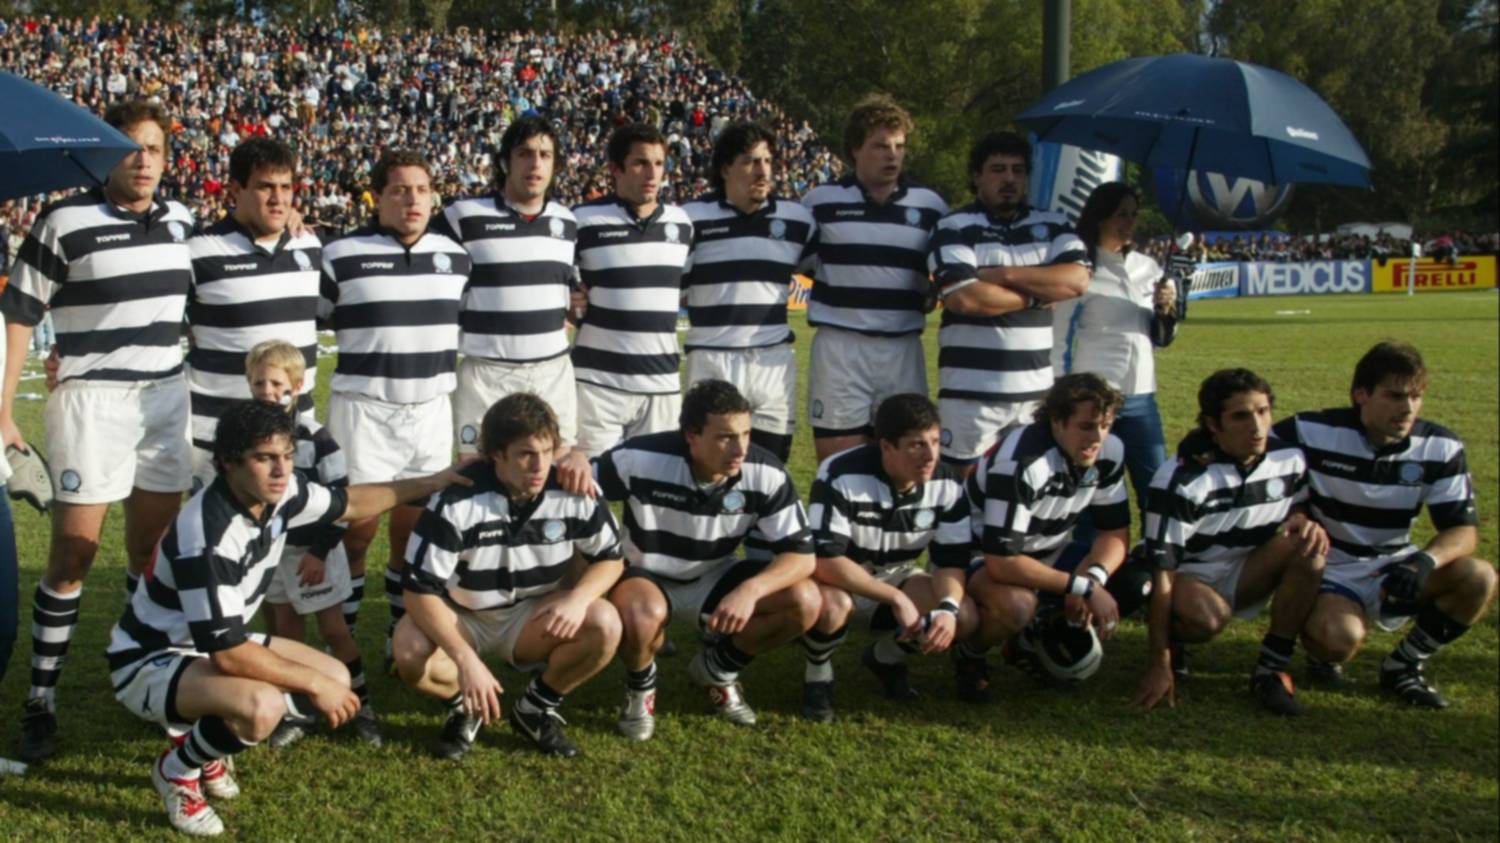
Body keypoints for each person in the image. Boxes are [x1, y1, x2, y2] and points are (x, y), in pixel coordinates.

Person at [104, 400, 471, 836]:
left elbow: (350, 503)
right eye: (264, 458)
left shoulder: (277, 493)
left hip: (208, 645)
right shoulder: (208, 536)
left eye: (287, 455)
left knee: (336, 675)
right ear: (228, 463)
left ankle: (205, 742)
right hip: (150, 660)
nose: (281, 470)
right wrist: (312, 685)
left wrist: (434, 481)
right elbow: (228, 655)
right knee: (264, 706)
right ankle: (177, 770)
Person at [0, 100, 196, 762]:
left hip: (166, 400)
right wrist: (3, 410)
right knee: (72, 556)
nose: (143, 160)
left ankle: (145, 678)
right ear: (104, 154)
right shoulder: (65, 221)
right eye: (129, 147)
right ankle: (41, 699)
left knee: (151, 553)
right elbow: (20, 314)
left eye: (154, 149)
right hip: (92, 403)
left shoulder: (182, 221)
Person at [558, 379, 819, 739]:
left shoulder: (766, 472)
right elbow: (577, 483)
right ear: (691, 436)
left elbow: (801, 556)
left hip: (715, 572)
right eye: (725, 437)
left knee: (805, 601)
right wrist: (575, 457)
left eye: (746, 433)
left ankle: (718, 669)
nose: (740, 448)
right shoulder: (640, 458)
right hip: (645, 574)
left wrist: (751, 590)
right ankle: (641, 690)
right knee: (640, 614)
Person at [394, 393, 624, 760]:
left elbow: (611, 559)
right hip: (463, 615)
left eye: (547, 452)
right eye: (525, 454)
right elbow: (418, 591)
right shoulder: (456, 501)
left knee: (605, 623)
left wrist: (578, 599)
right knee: (408, 651)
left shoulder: (573, 489)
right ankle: (465, 707)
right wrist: (465, 660)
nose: (540, 465)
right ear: (496, 454)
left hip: (531, 614)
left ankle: (534, 710)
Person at [1280, 342, 1494, 708]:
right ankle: (1321, 651)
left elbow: (1463, 530)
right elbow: (1247, 443)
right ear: (1360, 394)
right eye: (1395, 396)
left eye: (1416, 396)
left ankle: (1403, 665)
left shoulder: (1440, 446)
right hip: (1333, 566)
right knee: (1336, 640)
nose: (1407, 408)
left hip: (1397, 564)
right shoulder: (1311, 430)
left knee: (1479, 577)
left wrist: (1424, 561)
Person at [319, 150, 471, 665]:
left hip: (429, 410)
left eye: (422, 190)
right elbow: (310, 316)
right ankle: (342, 642)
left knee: (412, 532)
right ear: (378, 197)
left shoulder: (456, 257)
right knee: (356, 532)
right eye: (400, 190)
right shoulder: (340, 254)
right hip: (364, 411)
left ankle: (396, 633)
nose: (412, 200)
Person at [1133, 369, 1328, 716]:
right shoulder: (1183, 479)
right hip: (1186, 575)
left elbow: (1297, 502)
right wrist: (1157, 662)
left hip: (1243, 568)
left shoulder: (1289, 459)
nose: (1257, 426)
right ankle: (1173, 639)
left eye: (1263, 411)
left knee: (1309, 546)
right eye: (1240, 416)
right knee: (1208, 619)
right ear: (1213, 424)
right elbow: (1163, 571)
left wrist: (1301, 517)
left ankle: (1271, 669)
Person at [234, 341, 380, 747]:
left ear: (296, 386)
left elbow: (341, 498)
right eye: (258, 383)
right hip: (270, 554)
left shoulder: (315, 437)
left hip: (312, 554)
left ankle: (362, 706)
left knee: (334, 630)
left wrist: (319, 551)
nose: (266, 391)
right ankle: (298, 711)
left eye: (275, 383)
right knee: (285, 632)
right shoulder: (243, 434)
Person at [962, 373, 1149, 688]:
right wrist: (1082, 588)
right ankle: (970, 653)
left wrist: (1093, 578)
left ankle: (1035, 633)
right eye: (1086, 426)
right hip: (979, 555)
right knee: (1016, 606)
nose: (1097, 437)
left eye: (1106, 425)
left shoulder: (1109, 451)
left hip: (1047, 550)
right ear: (1056, 421)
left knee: (1136, 582)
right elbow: (1001, 560)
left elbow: (1114, 531)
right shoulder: (1021, 462)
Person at [801, 394, 978, 720]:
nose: (930, 456)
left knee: (963, 614)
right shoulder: (840, 472)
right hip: (842, 579)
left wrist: (947, 609)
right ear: (886, 446)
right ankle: (818, 674)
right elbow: (826, 560)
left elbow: (951, 562)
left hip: (897, 573)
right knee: (832, 606)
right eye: (916, 445)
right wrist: (895, 597)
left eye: (935, 442)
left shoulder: (948, 483)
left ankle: (885, 656)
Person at [928, 132, 1090, 475]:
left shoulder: (1054, 224)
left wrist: (1003, 274)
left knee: (1024, 491)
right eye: (998, 169)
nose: (1009, 179)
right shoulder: (953, 226)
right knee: (962, 494)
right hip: (970, 396)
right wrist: (1039, 293)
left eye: (1018, 170)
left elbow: (1076, 281)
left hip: (1036, 395)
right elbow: (965, 298)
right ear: (977, 176)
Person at [800, 95, 947, 462]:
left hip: (902, 347)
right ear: (855, 149)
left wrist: (930, 292)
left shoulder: (930, 206)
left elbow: (942, 271)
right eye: (881, 146)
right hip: (841, 347)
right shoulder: (820, 202)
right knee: (839, 463)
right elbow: (802, 262)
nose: (892, 155)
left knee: (907, 459)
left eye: (899, 146)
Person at [433, 116, 581, 457]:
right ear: (505, 162)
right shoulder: (462, 217)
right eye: (524, 153)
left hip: (553, 370)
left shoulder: (568, 221)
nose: (535, 164)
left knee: (555, 466)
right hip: (487, 372)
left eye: (545, 155)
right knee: (478, 468)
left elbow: (574, 289)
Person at [185, 138, 323, 489]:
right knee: (217, 524)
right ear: (236, 189)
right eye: (265, 187)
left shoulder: (310, 245)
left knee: (294, 522)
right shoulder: (198, 251)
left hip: (292, 430)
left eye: (286, 187)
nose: (278, 198)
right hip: (219, 432)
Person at [681, 120, 818, 463]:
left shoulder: (798, 220)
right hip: (713, 357)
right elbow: (668, 284)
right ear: (725, 168)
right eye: (750, 161)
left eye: (767, 161)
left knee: (771, 467)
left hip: (772, 360)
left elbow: (830, 274)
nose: (762, 170)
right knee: (710, 467)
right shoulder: (691, 219)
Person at [1052, 182, 1178, 512]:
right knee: (1089, 491)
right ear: (1100, 217)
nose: (1129, 222)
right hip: (1093, 398)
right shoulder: (1081, 268)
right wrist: (1062, 391)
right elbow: (1060, 337)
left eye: (1133, 215)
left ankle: (1156, 545)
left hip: (1141, 397)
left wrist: (1166, 311)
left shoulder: (1149, 268)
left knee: (1156, 487)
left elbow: (1162, 338)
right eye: (1121, 214)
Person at [569, 123, 694, 456]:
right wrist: (568, 299)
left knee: (653, 483)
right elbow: (555, 280)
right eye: (640, 163)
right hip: (597, 384)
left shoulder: (682, 224)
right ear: (615, 169)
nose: (652, 174)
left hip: (661, 385)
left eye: (658, 163)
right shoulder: (582, 220)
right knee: (590, 482)